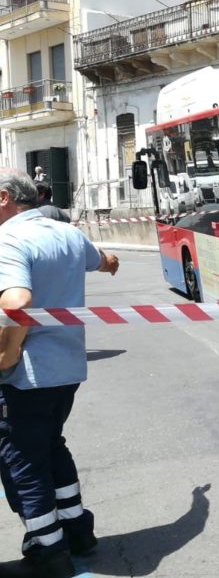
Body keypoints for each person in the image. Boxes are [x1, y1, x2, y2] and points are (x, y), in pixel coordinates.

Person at [0, 170, 118, 577]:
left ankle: (49, 548)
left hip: (26, 374)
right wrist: (111, 263)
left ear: (4, 198)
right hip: (68, 368)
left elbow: (17, 302)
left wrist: (6, 356)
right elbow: (102, 260)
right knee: (52, 445)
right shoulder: (65, 231)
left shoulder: (8, 239)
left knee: (23, 460)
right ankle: (79, 530)